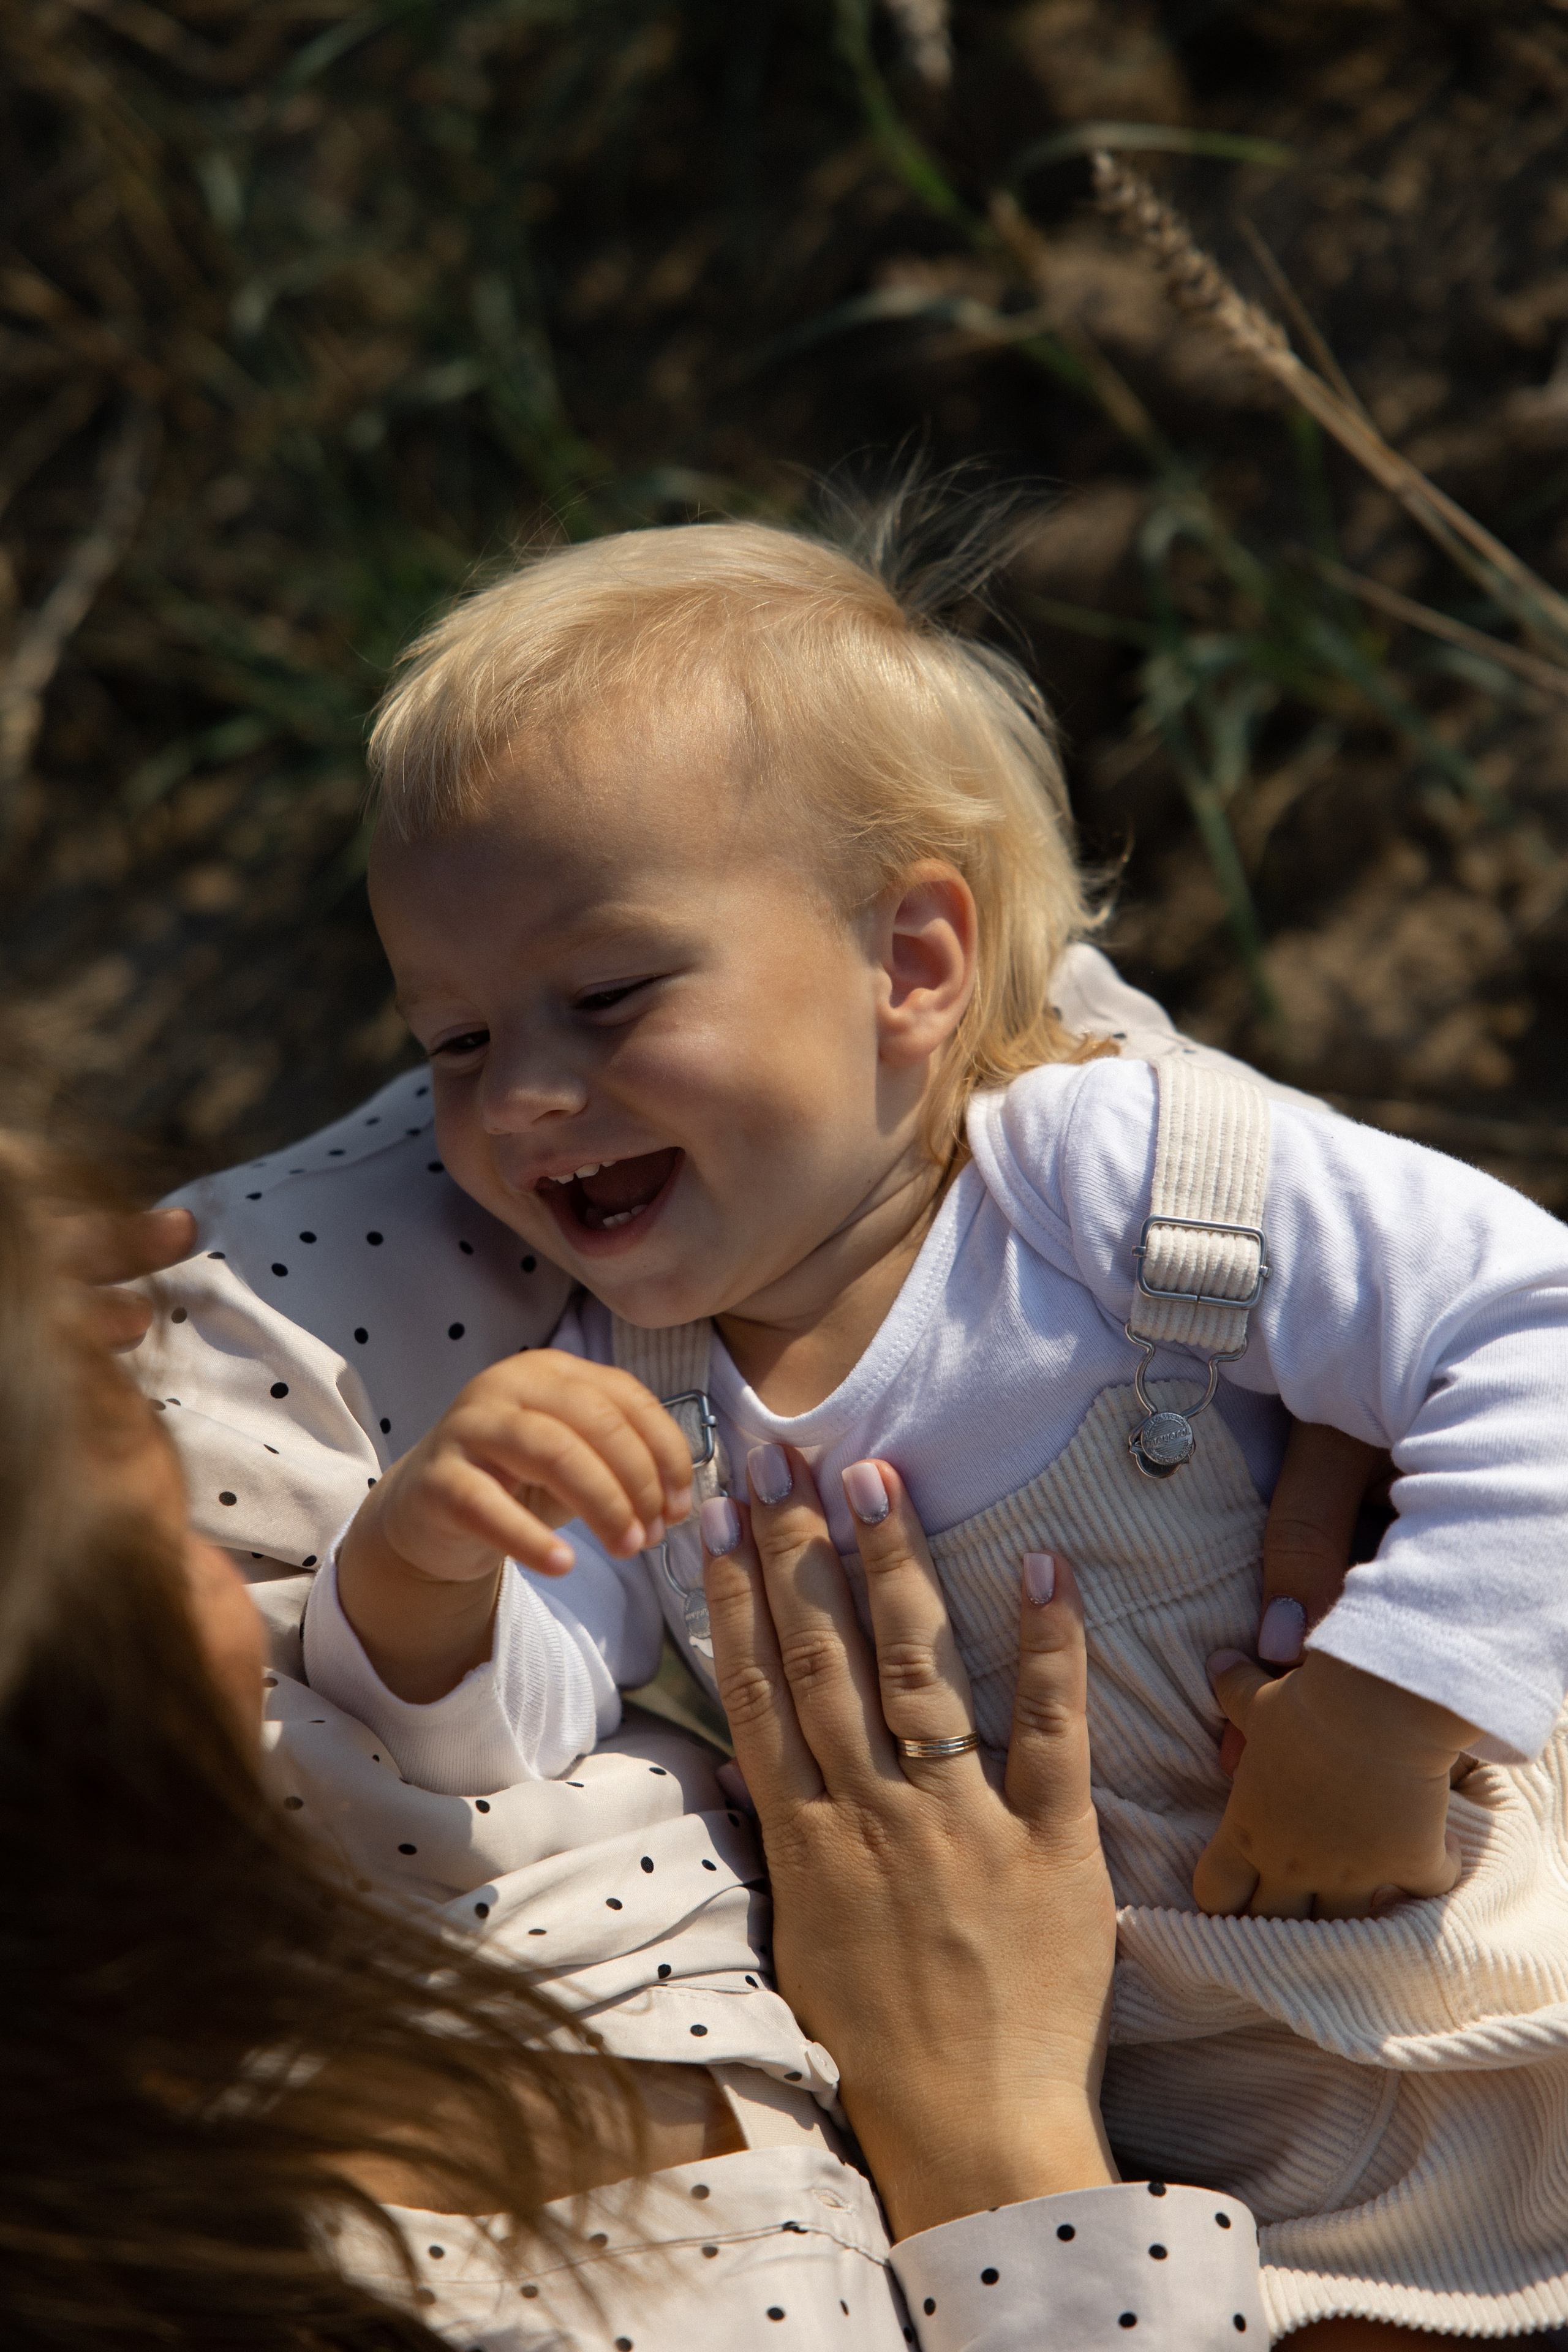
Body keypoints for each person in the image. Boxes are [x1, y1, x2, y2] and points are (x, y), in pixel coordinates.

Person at [136, 509, 1568, 2340]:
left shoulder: (1104, 1180)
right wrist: (421, 1563)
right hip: (1228, 2186)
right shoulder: (626, 1387)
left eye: (606, 997)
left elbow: (1527, 1333)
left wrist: (1387, 1705)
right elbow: (513, 1722)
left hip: (1480, 1990)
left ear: (913, 961)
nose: (524, 1099)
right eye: (456, 1043)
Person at [0, 1129, 1268, 2350]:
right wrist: (991, 2139)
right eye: (141, 1539)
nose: (205, 1559)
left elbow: (925, 1068)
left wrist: (1324, 1390)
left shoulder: (176, 1338)